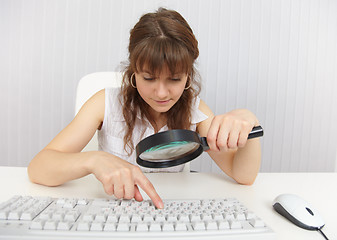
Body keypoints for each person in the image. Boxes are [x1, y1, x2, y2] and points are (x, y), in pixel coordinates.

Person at [28, 8, 261, 209]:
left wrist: (250, 123)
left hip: (167, 210)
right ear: (134, 72)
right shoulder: (104, 103)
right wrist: (94, 160)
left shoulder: (195, 112)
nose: (161, 93)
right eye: (149, 78)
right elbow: (39, 168)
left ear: (188, 77)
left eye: (174, 79)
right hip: (112, 208)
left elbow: (244, 176)